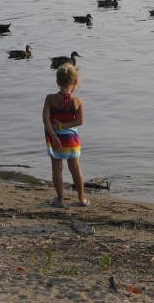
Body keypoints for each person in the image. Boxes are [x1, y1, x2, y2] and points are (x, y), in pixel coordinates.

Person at [42, 63, 90, 208]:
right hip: (71, 139)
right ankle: (81, 198)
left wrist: (55, 134)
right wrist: (64, 126)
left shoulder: (50, 99)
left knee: (57, 168)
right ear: (75, 81)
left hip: (55, 139)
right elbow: (80, 121)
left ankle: (60, 199)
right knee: (75, 167)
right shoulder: (77, 101)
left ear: (57, 82)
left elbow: (45, 120)